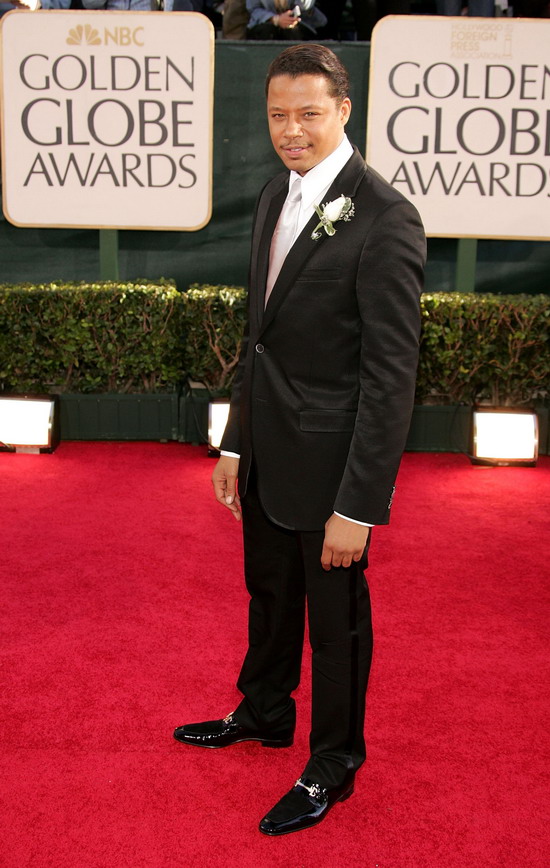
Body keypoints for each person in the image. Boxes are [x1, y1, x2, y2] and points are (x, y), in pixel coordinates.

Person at [174, 44, 426, 836]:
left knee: (336, 624)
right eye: (279, 115)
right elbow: (261, 340)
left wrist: (360, 504)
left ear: (344, 111)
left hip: (333, 468)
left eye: (309, 114)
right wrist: (235, 443)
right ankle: (264, 710)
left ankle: (333, 763)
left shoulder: (385, 217)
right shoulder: (271, 196)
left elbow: (391, 377)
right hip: (268, 451)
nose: (292, 129)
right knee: (270, 595)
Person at [246, 0, 326, 40]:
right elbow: (254, 9)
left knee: (292, 31)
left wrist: (290, 17)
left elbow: (304, 6)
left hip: (301, 24)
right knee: (265, 31)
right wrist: (276, 19)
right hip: (266, 24)